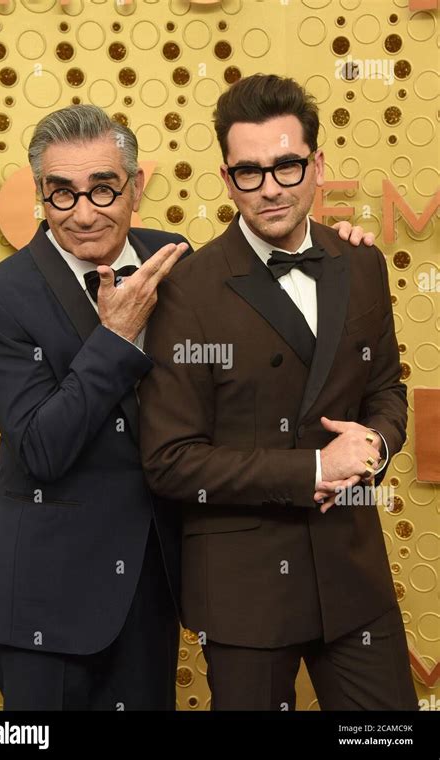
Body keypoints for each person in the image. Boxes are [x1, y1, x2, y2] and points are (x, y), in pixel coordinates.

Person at [138, 75, 418, 711]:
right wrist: (316, 467)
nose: (269, 189)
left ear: (317, 163)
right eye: (248, 172)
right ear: (226, 176)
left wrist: (376, 443)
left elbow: (386, 392)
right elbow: (171, 458)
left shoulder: (362, 263)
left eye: (287, 166)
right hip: (244, 590)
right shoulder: (188, 289)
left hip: (352, 574)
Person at [0, 104, 189, 710]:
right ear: (40, 193)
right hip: (44, 592)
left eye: (103, 189)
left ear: (135, 185)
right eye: (61, 194)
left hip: (150, 584)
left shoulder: (173, 260)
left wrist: (338, 243)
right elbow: (41, 447)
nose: (83, 213)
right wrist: (114, 341)